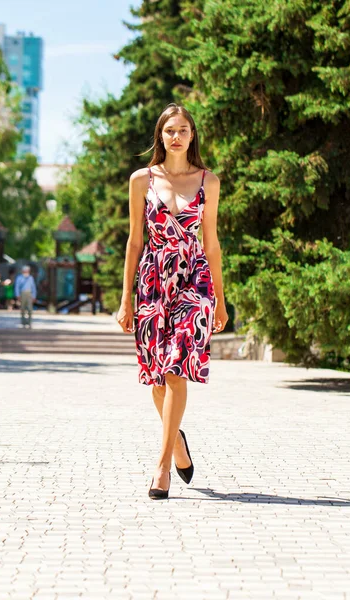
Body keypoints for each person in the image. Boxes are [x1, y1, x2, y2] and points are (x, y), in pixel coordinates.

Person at [116, 103, 228, 499]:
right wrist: (124, 299)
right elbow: (134, 240)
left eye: (183, 129)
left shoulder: (208, 182)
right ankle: (176, 440)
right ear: (160, 136)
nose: (176, 136)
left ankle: (161, 467)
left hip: (194, 280)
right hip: (152, 280)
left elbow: (211, 243)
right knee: (156, 378)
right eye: (169, 131)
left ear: (192, 134)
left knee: (176, 370)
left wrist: (221, 299)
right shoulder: (141, 180)